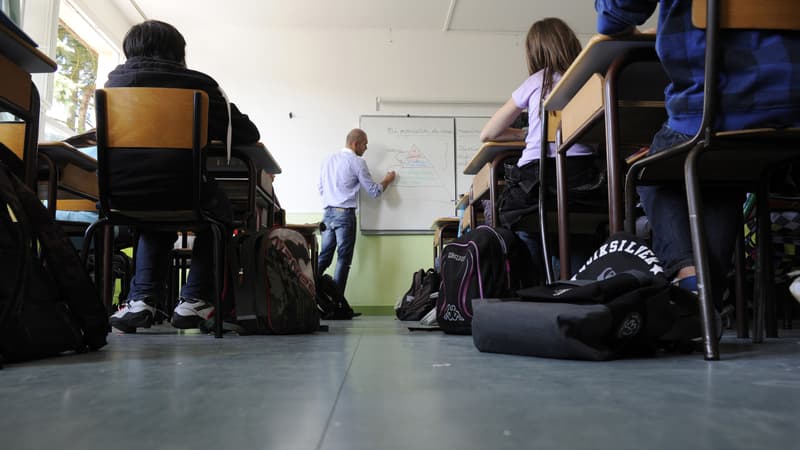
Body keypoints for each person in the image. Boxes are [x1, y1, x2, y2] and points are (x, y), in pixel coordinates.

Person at [595, 1, 800, 304]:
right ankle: (704, 293)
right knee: (720, 177)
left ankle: (690, 280)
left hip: (716, 112)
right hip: (792, 110)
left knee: (652, 170)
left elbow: (614, 17)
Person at [108, 20, 261, 332]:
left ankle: (142, 300)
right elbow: (246, 132)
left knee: (152, 215)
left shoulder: (113, 86)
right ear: (178, 52)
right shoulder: (198, 84)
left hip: (121, 192)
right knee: (220, 211)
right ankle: (194, 300)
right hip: (183, 188)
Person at [480, 17, 601, 274]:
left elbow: (488, 133)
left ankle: (536, 283)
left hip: (538, 181)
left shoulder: (537, 80)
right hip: (584, 183)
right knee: (577, 228)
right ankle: (579, 284)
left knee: (521, 222)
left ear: (534, 52)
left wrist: (529, 133)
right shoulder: (591, 77)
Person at [317, 128, 396, 295]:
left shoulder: (328, 159)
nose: (366, 148)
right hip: (344, 215)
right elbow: (374, 191)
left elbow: (321, 188)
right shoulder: (357, 162)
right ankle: (337, 304)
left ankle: (308, 295)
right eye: (364, 144)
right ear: (355, 143)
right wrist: (387, 180)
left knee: (323, 257)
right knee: (343, 260)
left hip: (327, 214)